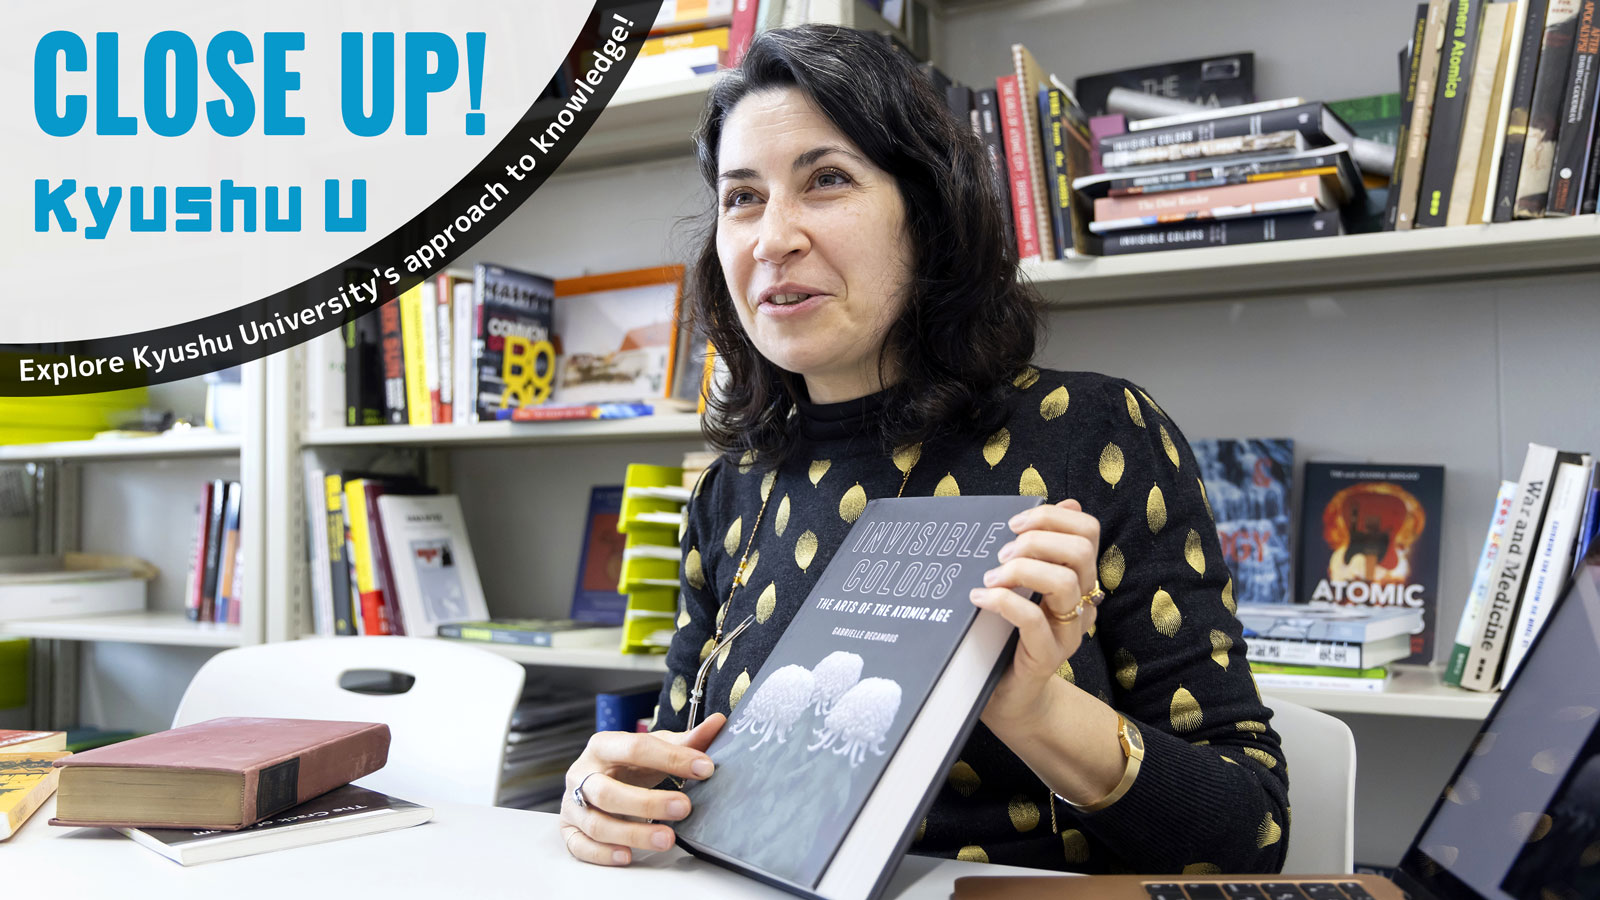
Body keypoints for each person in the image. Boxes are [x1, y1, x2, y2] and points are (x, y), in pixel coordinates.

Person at [560, 24, 1289, 875]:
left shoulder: (1093, 433)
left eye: (826, 180)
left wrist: (1037, 713)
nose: (772, 239)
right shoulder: (729, 492)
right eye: (742, 197)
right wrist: (612, 798)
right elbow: (676, 771)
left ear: (930, 214)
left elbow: (1252, 834)